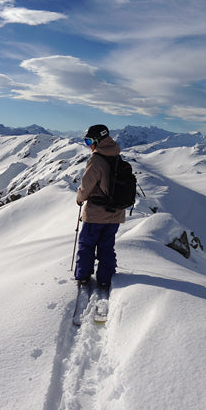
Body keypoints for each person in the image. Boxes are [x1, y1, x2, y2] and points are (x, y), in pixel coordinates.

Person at [75, 124, 125, 292]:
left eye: (89, 141)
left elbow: (87, 185)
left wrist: (79, 198)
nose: (88, 145)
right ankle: (105, 279)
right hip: (115, 214)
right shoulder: (117, 157)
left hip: (96, 213)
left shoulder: (96, 160)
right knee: (107, 246)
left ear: (97, 140)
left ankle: (83, 276)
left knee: (87, 245)